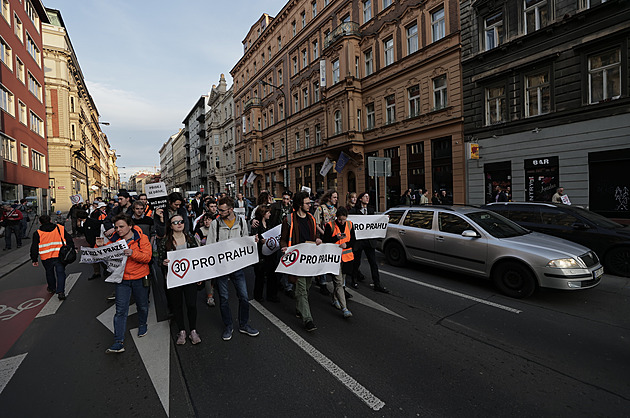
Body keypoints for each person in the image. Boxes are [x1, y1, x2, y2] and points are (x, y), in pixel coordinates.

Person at [207, 196, 259, 341]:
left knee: (243, 296)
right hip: (222, 267)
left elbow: (244, 241)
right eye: (218, 209)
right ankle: (228, 326)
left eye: (222, 210)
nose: (219, 212)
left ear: (230, 210)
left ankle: (243, 324)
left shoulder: (241, 222)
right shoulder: (215, 224)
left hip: (237, 267)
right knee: (224, 298)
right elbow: (210, 245)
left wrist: (251, 241)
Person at [99, 214, 152, 354]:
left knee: (142, 305)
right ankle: (118, 341)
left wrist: (132, 253)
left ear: (130, 226)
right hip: (122, 280)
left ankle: (142, 324)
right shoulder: (114, 240)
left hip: (140, 278)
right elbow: (104, 255)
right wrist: (99, 247)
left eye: (121, 226)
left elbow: (147, 258)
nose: (118, 229)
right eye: (116, 227)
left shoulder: (142, 239)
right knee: (120, 310)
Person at [280, 191, 322, 332]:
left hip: (309, 260)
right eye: (307, 203)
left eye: (309, 202)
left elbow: (314, 235)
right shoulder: (289, 220)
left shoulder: (311, 219)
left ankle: (299, 308)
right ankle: (308, 320)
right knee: (302, 289)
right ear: (299, 204)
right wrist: (284, 247)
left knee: (308, 285)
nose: (310, 205)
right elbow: (283, 238)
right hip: (296, 260)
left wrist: (317, 239)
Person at [158, 214, 202, 345]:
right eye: (175, 222)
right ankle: (182, 331)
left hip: (190, 278)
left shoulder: (191, 239)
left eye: (181, 221)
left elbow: (197, 258)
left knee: (191, 304)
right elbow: (159, 260)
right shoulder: (165, 242)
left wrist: (200, 276)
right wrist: (163, 263)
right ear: (170, 226)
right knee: (177, 306)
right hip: (174, 279)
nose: (179, 224)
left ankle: (193, 330)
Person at [350, 193, 390, 293]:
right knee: (357, 262)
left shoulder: (371, 210)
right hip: (359, 241)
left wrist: (385, 218)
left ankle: (377, 283)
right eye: (365, 196)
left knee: (373, 262)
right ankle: (354, 280)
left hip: (369, 241)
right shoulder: (354, 211)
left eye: (368, 196)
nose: (367, 198)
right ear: (360, 199)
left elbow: (375, 221)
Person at [30, 214, 74, 300]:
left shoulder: (38, 233)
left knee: (49, 272)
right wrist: (72, 248)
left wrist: (34, 259)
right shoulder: (59, 228)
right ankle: (61, 291)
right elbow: (68, 239)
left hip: (46, 257)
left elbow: (34, 247)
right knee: (60, 273)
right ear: (50, 220)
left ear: (40, 223)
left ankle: (52, 287)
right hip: (60, 255)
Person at [323, 206, 355, 319]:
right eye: (340, 219)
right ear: (336, 217)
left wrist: (347, 244)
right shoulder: (330, 226)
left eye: (343, 219)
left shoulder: (350, 225)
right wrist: (335, 238)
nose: (341, 222)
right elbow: (325, 241)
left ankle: (335, 299)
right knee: (338, 282)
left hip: (347, 259)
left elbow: (354, 242)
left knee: (341, 280)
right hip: (334, 259)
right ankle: (344, 308)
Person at [251, 205, 279, 303]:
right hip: (260, 254)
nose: (270, 214)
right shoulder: (257, 224)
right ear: (263, 214)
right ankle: (258, 296)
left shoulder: (268, 223)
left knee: (272, 274)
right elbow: (253, 238)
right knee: (260, 276)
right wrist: (259, 241)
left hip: (270, 253)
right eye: (268, 213)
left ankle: (272, 295)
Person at [313, 190, 338, 296]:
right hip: (323, 237)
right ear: (329, 198)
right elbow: (316, 223)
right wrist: (324, 234)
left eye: (336, 197)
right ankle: (322, 283)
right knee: (323, 260)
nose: (336, 199)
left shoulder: (335, 210)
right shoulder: (320, 209)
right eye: (334, 197)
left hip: (332, 238)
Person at [193, 213, 217, 307]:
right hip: (205, 258)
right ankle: (209, 296)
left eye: (209, 219)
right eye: (205, 220)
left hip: (216, 256)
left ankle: (212, 290)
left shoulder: (216, 230)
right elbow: (196, 245)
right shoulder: (199, 231)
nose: (207, 222)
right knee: (208, 278)